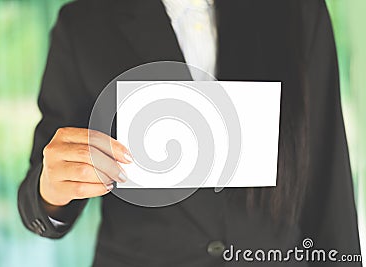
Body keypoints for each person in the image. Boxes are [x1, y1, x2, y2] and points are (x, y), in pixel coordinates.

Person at [18, 0, 362, 266]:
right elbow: (40, 190)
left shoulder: (298, 12)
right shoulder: (84, 24)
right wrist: (51, 188)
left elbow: (328, 183)